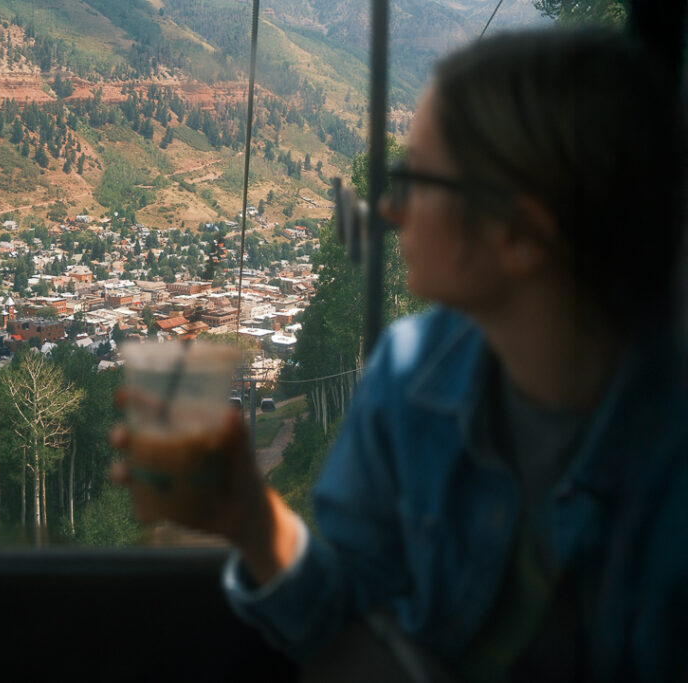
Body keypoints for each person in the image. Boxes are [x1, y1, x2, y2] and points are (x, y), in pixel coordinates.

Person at [112, 27, 688, 682]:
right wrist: (252, 522)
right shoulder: (409, 374)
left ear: (522, 234)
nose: (389, 205)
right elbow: (355, 634)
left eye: (415, 179)